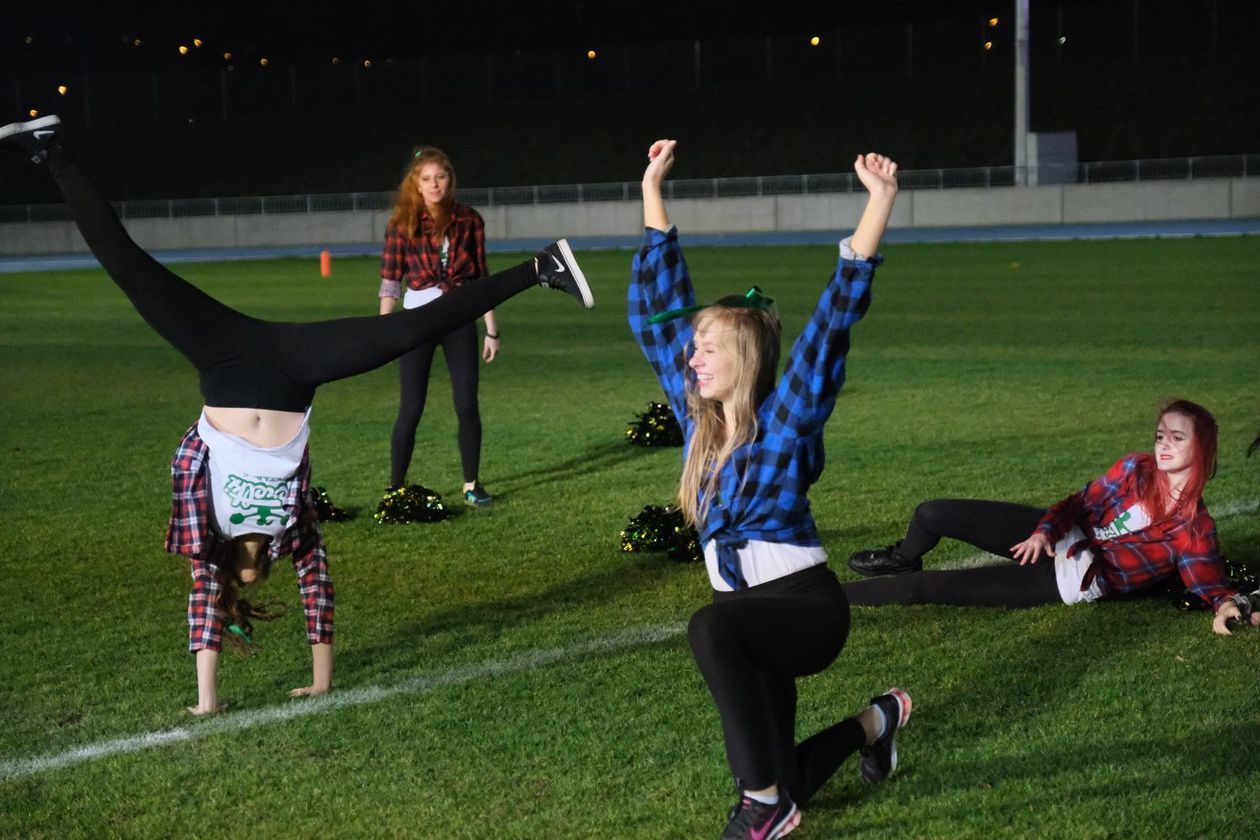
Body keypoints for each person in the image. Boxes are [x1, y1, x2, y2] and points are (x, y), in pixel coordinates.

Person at [0, 115, 594, 714]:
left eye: (242, 580)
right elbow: (319, 595)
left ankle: (52, 151)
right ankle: (542, 267)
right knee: (411, 329)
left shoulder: (205, 542)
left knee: (129, 269)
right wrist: (323, 681)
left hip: (224, 361)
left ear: (232, 575)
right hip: (291, 372)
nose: (254, 576)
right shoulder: (292, 534)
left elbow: (189, 499)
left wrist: (207, 701)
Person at [630, 139, 910, 840]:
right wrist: (652, 190)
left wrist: (878, 205)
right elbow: (655, 313)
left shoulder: (782, 424)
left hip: (803, 613)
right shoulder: (697, 427)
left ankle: (764, 805)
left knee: (708, 627)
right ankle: (877, 724)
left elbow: (830, 329)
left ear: (745, 360)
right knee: (786, 773)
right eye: (693, 348)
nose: (693, 358)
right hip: (750, 622)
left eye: (710, 348)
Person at [845, 399, 1260, 635]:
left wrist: (1225, 608)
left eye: (1177, 438)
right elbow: (1078, 504)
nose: (1163, 445)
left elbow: (1209, 583)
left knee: (925, 588)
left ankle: (829, 595)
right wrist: (1044, 532)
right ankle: (902, 555)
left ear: (1200, 449)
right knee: (931, 513)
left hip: (1067, 579)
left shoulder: (1194, 527)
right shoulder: (1136, 469)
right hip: (1056, 536)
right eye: (1159, 435)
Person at [377, 148, 527, 506]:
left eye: (440, 177)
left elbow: (481, 276)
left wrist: (492, 329)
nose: (434, 185)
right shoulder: (402, 224)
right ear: (415, 182)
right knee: (410, 408)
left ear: (450, 180)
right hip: (416, 322)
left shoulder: (470, 220)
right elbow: (390, 280)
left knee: (466, 404)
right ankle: (395, 488)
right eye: (426, 179)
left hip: (460, 319)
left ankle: (471, 485)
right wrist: (382, 334)